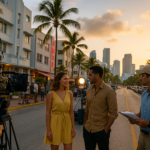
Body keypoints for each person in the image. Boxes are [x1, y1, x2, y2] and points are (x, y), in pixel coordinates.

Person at [83, 65, 118, 150]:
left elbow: (113, 113)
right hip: (88, 130)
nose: (88, 77)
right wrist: (84, 125)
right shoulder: (89, 90)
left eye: (90, 75)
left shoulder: (109, 91)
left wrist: (105, 130)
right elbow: (87, 109)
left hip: (101, 130)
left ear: (97, 75)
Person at [44, 72, 76, 150]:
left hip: (67, 122)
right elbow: (48, 113)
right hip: (55, 122)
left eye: (68, 79)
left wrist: (73, 127)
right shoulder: (51, 94)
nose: (67, 81)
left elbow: (71, 111)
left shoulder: (70, 93)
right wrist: (48, 130)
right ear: (59, 80)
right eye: (65, 79)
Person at [128, 65, 150, 150]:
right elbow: (140, 114)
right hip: (142, 136)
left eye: (142, 76)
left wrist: (148, 124)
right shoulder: (144, 94)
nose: (140, 78)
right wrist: (133, 118)